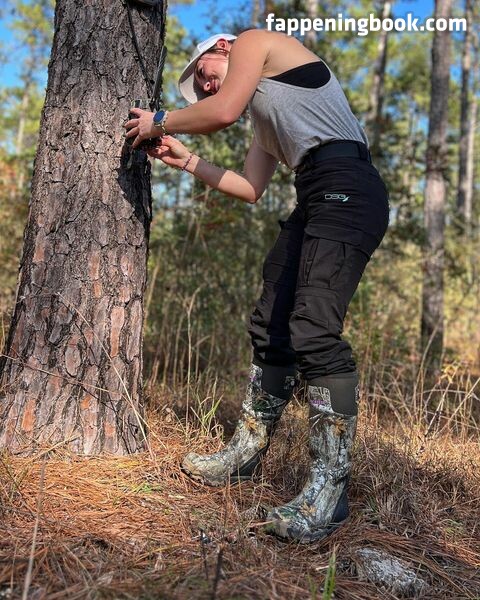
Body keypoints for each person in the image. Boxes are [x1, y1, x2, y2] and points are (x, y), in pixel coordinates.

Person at [125, 29, 389, 543]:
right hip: (315, 191)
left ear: (221, 48)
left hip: (348, 187)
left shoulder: (254, 40)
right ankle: (245, 456)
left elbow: (222, 111)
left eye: (203, 75)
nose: (205, 87)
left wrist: (158, 119)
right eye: (201, 87)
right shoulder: (267, 118)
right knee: (271, 324)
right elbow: (250, 188)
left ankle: (329, 493)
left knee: (314, 329)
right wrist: (186, 160)